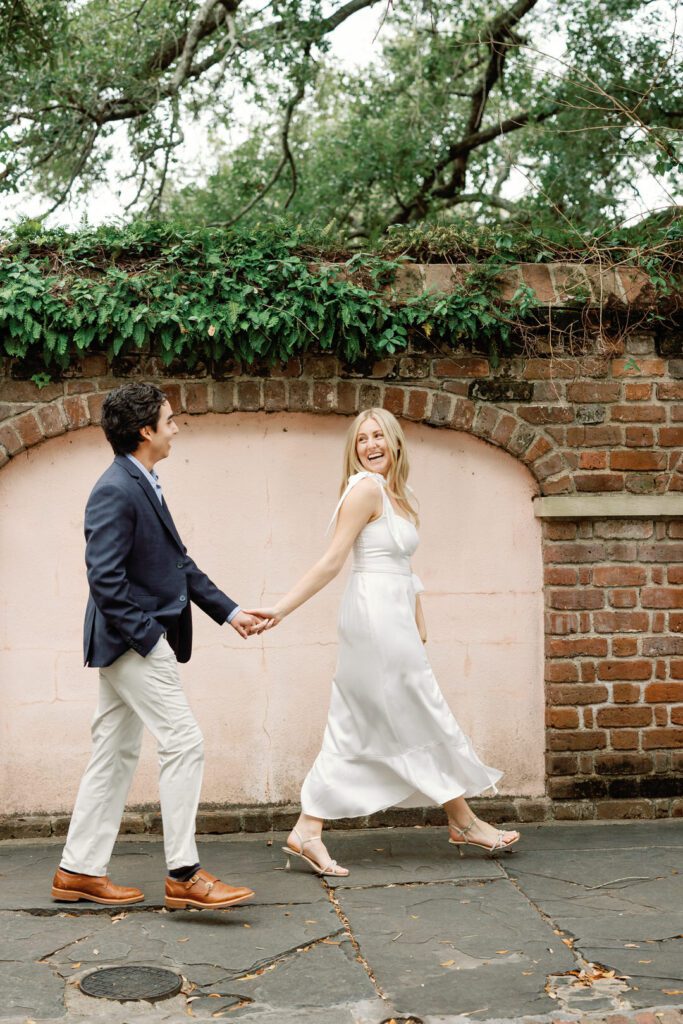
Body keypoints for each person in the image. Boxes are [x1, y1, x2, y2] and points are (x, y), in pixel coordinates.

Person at [247, 408, 519, 876]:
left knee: (364, 718)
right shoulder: (365, 489)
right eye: (361, 439)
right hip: (373, 619)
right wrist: (281, 609)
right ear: (354, 450)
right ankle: (464, 822)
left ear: (395, 443)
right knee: (414, 709)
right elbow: (333, 562)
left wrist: (418, 615)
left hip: (392, 618)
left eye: (378, 436)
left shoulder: (398, 494)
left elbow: (403, 567)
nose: (370, 445)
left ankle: (308, 829)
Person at [51, 382, 264, 909]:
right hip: (133, 643)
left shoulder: (141, 480)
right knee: (185, 742)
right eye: (169, 420)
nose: (175, 428)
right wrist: (149, 640)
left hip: (129, 642)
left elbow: (177, 563)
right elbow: (104, 580)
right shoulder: (116, 488)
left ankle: (78, 870)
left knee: (115, 753)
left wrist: (230, 612)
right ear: (146, 431)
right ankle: (184, 874)